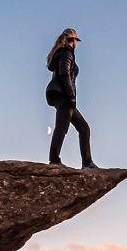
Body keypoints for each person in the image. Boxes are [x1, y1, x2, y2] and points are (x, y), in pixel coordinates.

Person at [45, 28, 98, 169]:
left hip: (63, 95)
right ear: (72, 40)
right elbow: (64, 75)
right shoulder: (66, 53)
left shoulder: (62, 53)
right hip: (64, 95)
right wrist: (70, 96)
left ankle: (87, 163)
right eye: (76, 40)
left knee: (83, 127)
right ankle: (54, 160)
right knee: (62, 127)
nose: (76, 43)